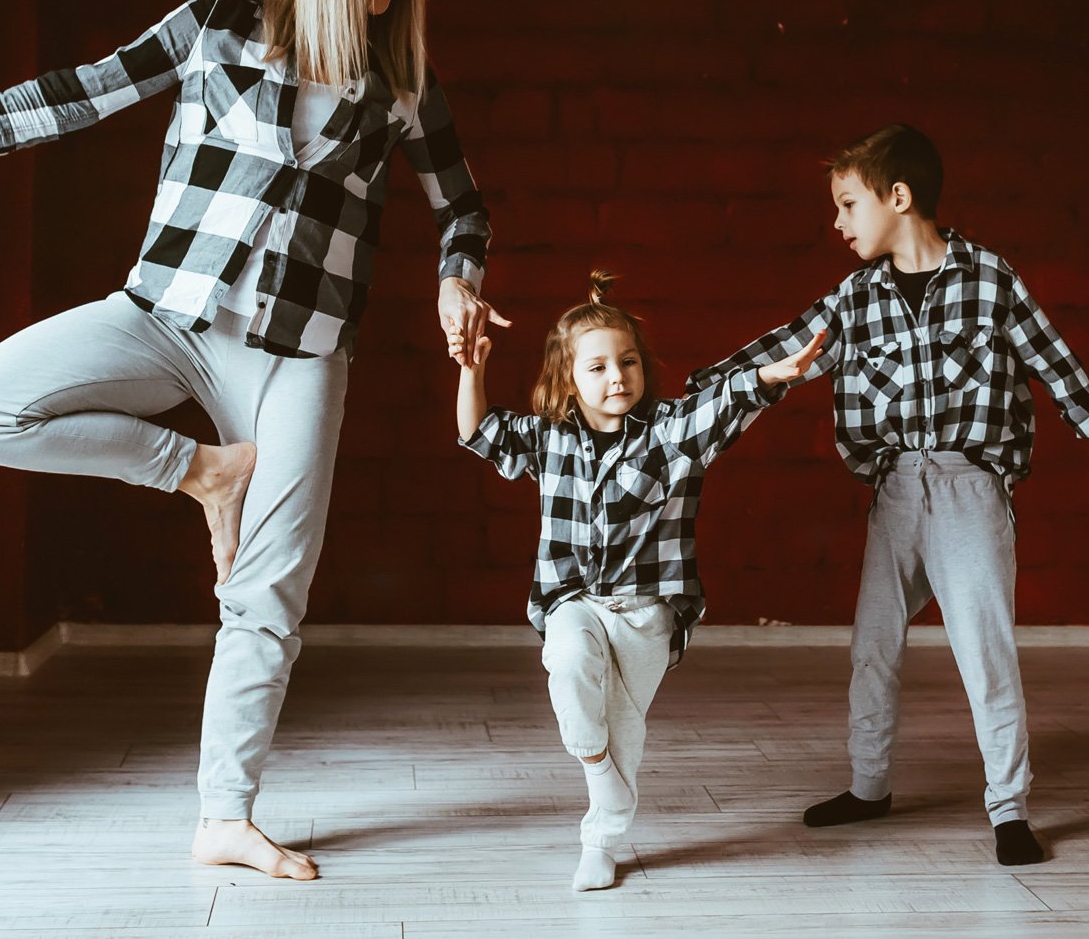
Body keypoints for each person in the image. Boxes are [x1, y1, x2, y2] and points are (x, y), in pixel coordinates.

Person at [0, 0, 508, 880]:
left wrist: (459, 277)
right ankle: (202, 473)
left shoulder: (403, 80)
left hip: (299, 355)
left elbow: (466, 208)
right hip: (166, 317)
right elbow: (86, 89)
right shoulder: (221, 22)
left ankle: (225, 816)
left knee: (270, 588)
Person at [687, 123, 1089, 867]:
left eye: (848, 205)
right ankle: (869, 788)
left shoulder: (991, 280)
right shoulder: (855, 298)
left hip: (970, 491)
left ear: (898, 197)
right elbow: (784, 350)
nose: (838, 223)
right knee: (873, 647)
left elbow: (1063, 372)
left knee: (986, 655)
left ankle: (1009, 811)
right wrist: (695, 396)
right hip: (897, 492)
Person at [453, 271, 824, 891]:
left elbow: (724, 404)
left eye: (627, 362)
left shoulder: (670, 434)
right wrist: (471, 369)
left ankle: (600, 841)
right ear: (567, 378)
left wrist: (766, 378)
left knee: (624, 726)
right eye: (597, 367)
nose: (617, 377)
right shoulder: (549, 439)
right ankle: (601, 777)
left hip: (647, 612)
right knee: (569, 662)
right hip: (573, 600)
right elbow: (478, 433)